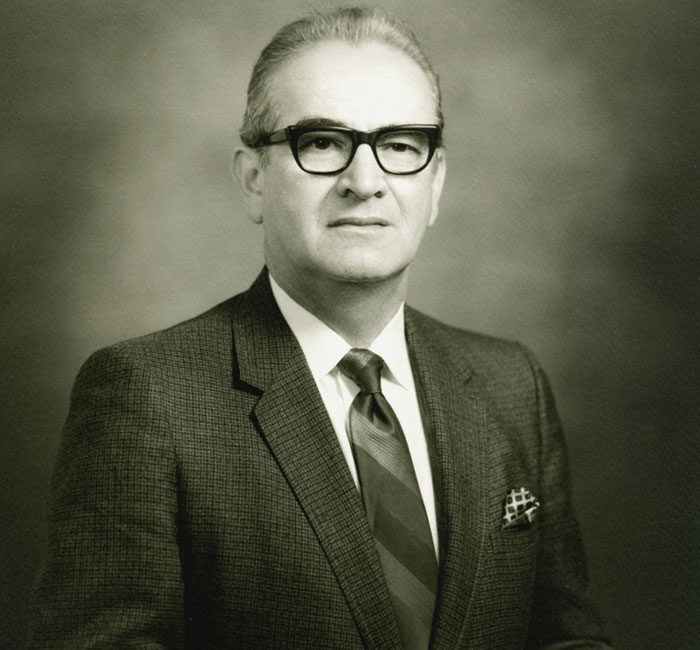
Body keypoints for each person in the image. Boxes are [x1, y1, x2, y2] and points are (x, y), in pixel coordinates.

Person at [28, 7, 613, 650]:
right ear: (253, 180)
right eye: (323, 143)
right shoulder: (146, 395)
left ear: (436, 182)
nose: (365, 182)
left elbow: (565, 637)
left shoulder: (511, 385)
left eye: (400, 146)